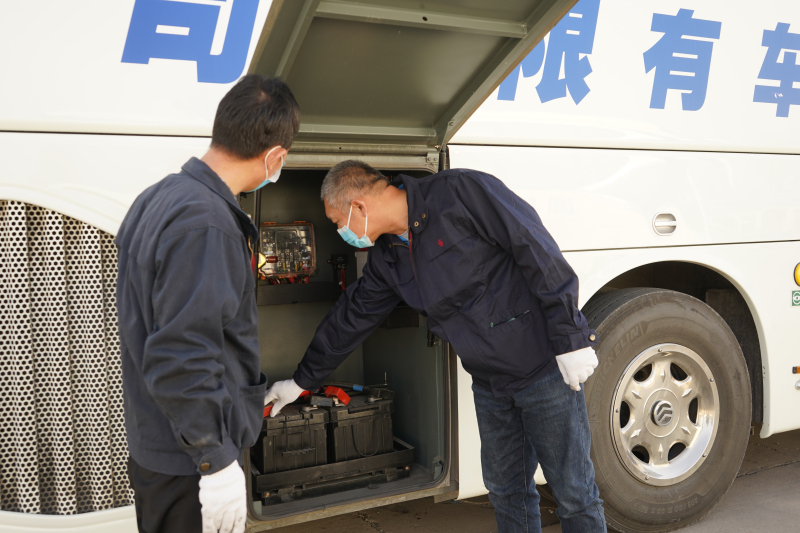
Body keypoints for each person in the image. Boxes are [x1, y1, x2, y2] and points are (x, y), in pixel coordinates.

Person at [264, 160, 606, 533]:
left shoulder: (460, 193)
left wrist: (570, 338)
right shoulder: (388, 257)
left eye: (337, 222)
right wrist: (301, 380)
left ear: (358, 207)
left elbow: (535, 248)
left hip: (542, 370)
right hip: (490, 384)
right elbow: (351, 317)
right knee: (506, 493)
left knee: (574, 494)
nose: (341, 232)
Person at [115, 74, 299, 533]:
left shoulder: (157, 197)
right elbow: (182, 354)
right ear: (275, 156)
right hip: (190, 462)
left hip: (160, 444)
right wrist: (215, 462)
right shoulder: (207, 223)